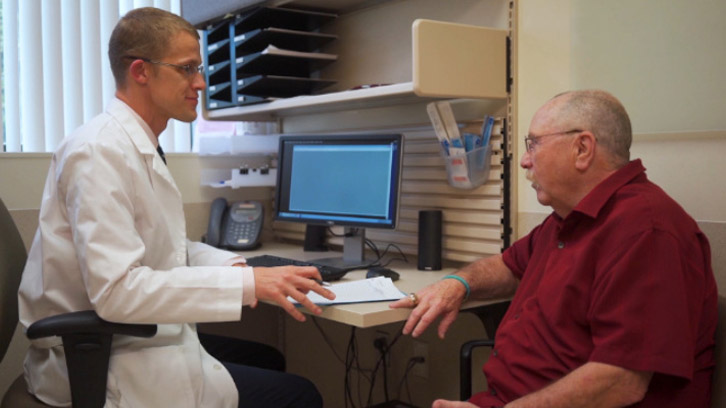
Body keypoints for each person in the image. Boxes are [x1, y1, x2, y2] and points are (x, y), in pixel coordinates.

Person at [17, 7, 334, 408]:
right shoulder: (98, 152)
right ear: (141, 72)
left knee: (267, 357)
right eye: (187, 69)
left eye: (199, 68)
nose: (200, 83)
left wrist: (243, 270)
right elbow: (117, 292)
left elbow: (165, 246)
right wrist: (249, 286)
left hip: (135, 339)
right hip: (105, 361)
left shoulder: (138, 145)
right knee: (301, 395)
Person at [391, 90, 717, 408]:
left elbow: (621, 382)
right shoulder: (569, 218)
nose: (524, 160)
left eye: (533, 144)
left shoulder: (646, 231)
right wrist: (458, 284)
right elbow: (509, 265)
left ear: (582, 148)